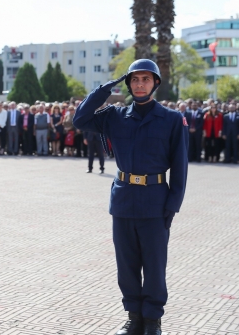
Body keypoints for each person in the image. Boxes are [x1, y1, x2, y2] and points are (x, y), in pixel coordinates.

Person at [73, 59, 188, 335]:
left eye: (146, 79)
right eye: (135, 80)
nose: (139, 84)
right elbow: (80, 119)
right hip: (123, 201)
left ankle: (152, 321)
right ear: (128, 84)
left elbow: (180, 166)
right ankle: (134, 317)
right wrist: (104, 89)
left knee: (154, 265)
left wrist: (172, 205)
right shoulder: (115, 116)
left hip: (156, 202)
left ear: (155, 83)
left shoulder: (171, 120)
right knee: (126, 265)